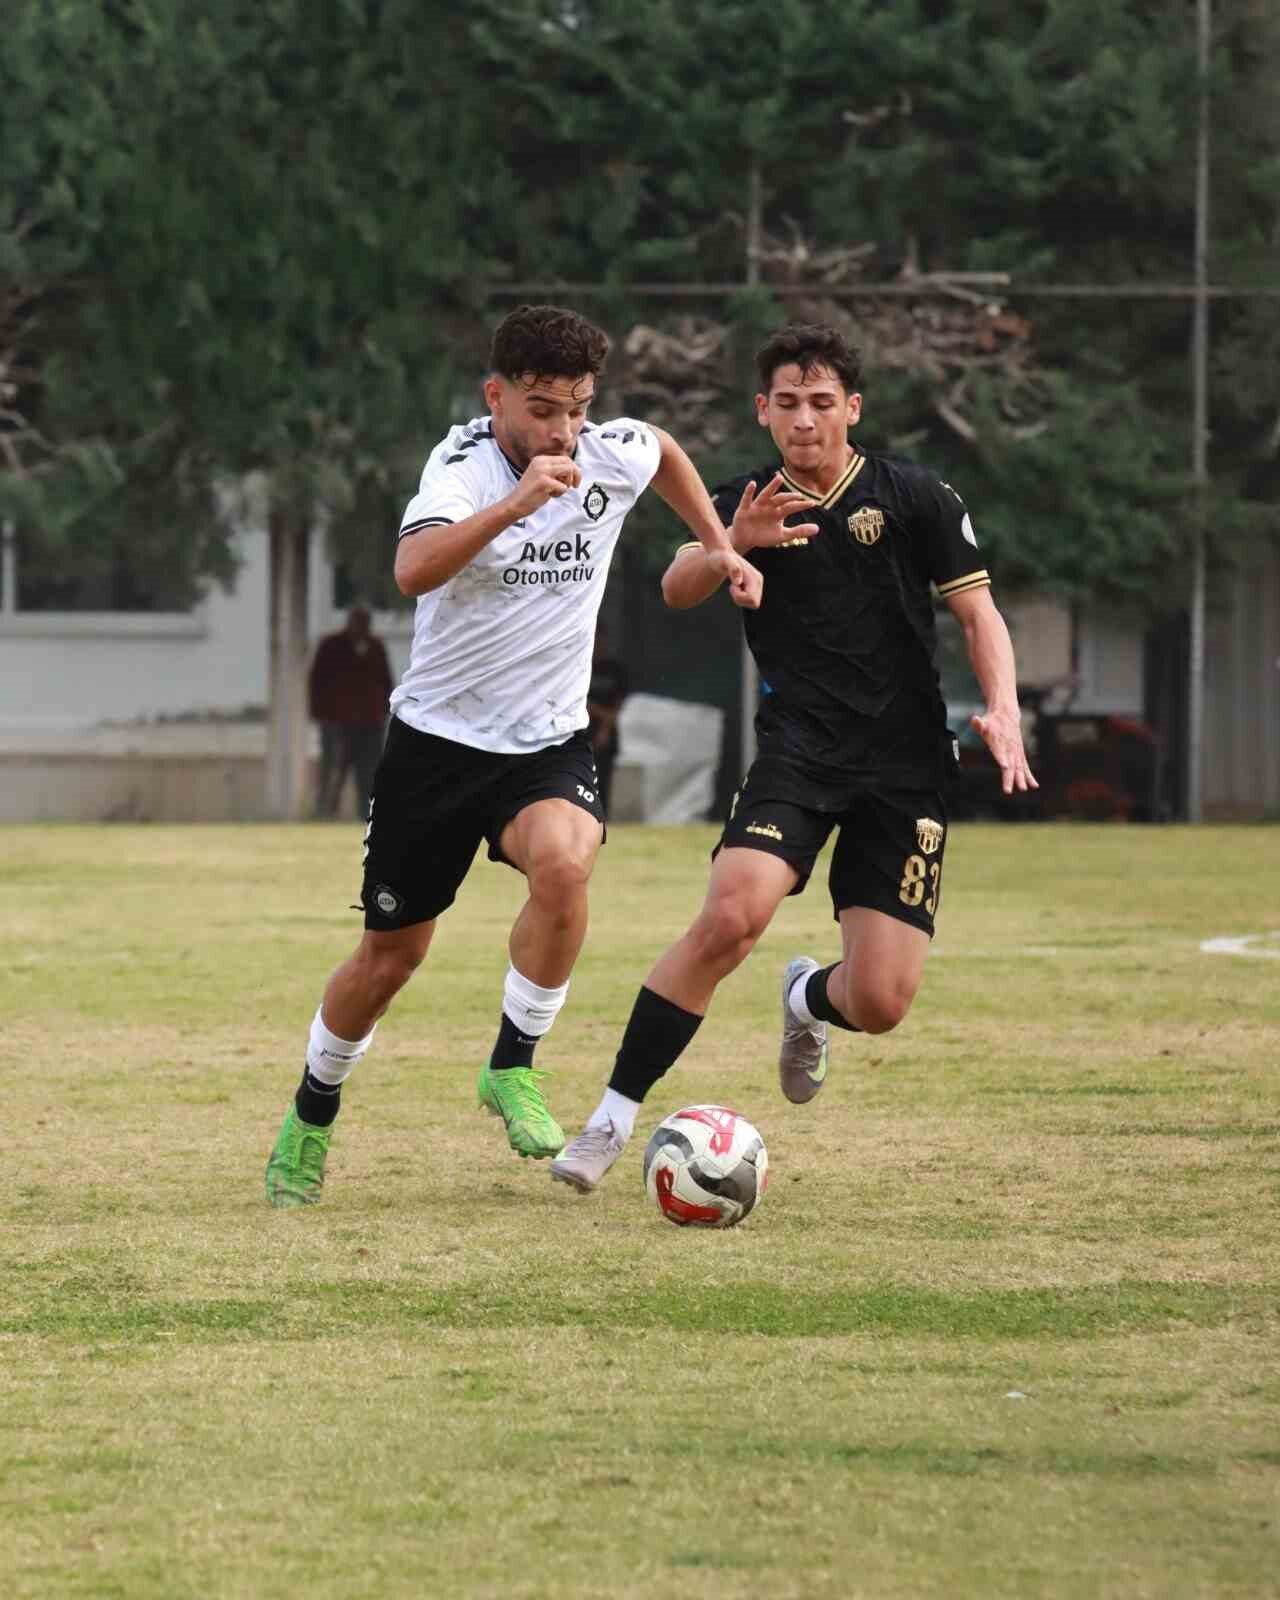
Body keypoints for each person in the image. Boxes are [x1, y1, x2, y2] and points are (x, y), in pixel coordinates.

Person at [264, 303, 803, 1208]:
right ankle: (310, 1115)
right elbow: (411, 570)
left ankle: (513, 1066)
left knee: (565, 863)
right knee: (388, 960)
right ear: (498, 396)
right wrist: (514, 504)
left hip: (546, 742)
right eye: (544, 408)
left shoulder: (606, 450)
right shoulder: (462, 468)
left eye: (578, 407)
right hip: (435, 747)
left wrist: (720, 544)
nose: (564, 429)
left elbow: (663, 449)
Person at [550, 321, 1037, 1193]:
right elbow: (675, 587)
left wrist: (1001, 708)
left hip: (907, 767)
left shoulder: (917, 496)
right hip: (800, 755)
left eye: (821, 402)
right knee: (731, 919)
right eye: (787, 403)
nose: (805, 419)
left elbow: (979, 612)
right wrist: (731, 543)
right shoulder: (742, 499)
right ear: (763, 412)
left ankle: (808, 997)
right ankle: (608, 1121)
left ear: (851, 408)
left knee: (881, 1004)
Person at [308, 604, 394, 818]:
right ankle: (325, 813)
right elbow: (317, 681)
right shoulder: (331, 646)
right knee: (333, 769)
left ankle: (367, 814)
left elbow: (385, 681)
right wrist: (319, 713)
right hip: (337, 722)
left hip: (370, 723)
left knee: (369, 771)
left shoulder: (375, 647)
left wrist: (384, 712)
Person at [585, 628, 630, 819]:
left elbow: (620, 703)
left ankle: (603, 819)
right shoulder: (581, 666)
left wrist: (605, 727)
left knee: (604, 779)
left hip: (607, 735)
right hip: (581, 734)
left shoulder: (615, 671)